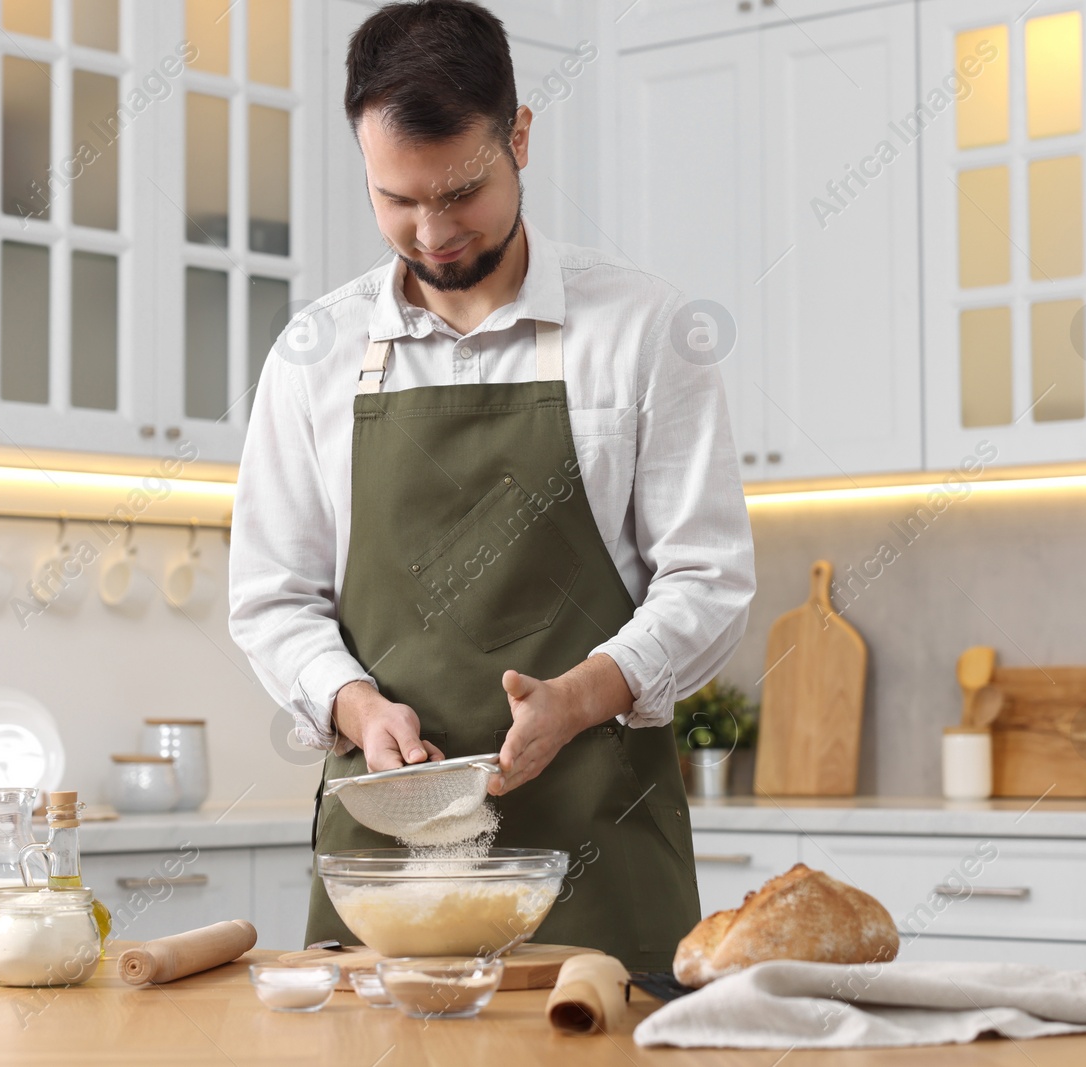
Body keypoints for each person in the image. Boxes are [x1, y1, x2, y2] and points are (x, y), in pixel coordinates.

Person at [227, 0, 755, 971]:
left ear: (517, 134)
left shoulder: (644, 328)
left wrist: (582, 694)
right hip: (387, 872)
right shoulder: (315, 351)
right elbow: (271, 596)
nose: (430, 231)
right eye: (396, 198)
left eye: (459, 191)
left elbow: (708, 578)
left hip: (597, 847)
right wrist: (354, 706)